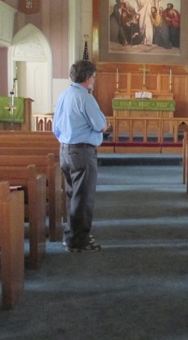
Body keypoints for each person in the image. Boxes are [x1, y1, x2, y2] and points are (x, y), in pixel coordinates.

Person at [53, 60, 110, 252]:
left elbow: (56, 127)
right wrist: (105, 125)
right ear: (87, 78)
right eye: (94, 76)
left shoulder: (65, 94)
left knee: (73, 195)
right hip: (82, 151)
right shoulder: (85, 97)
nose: (94, 79)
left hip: (65, 150)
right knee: (83, 197)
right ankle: (79, 241)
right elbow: (100, 124)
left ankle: (71, 234)